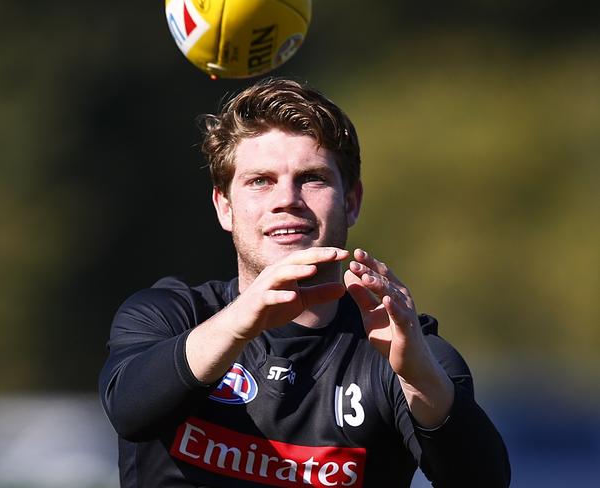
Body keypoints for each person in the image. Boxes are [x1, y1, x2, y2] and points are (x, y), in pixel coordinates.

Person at [99, 78, 511, 487]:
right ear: (224, 207)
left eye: (311, 178)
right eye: (260, 181)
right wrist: (242, 320)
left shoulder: (401, 350)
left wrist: (419, 376)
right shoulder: (167, 316)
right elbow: (129, 409)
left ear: (351, 203)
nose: (286, 200)